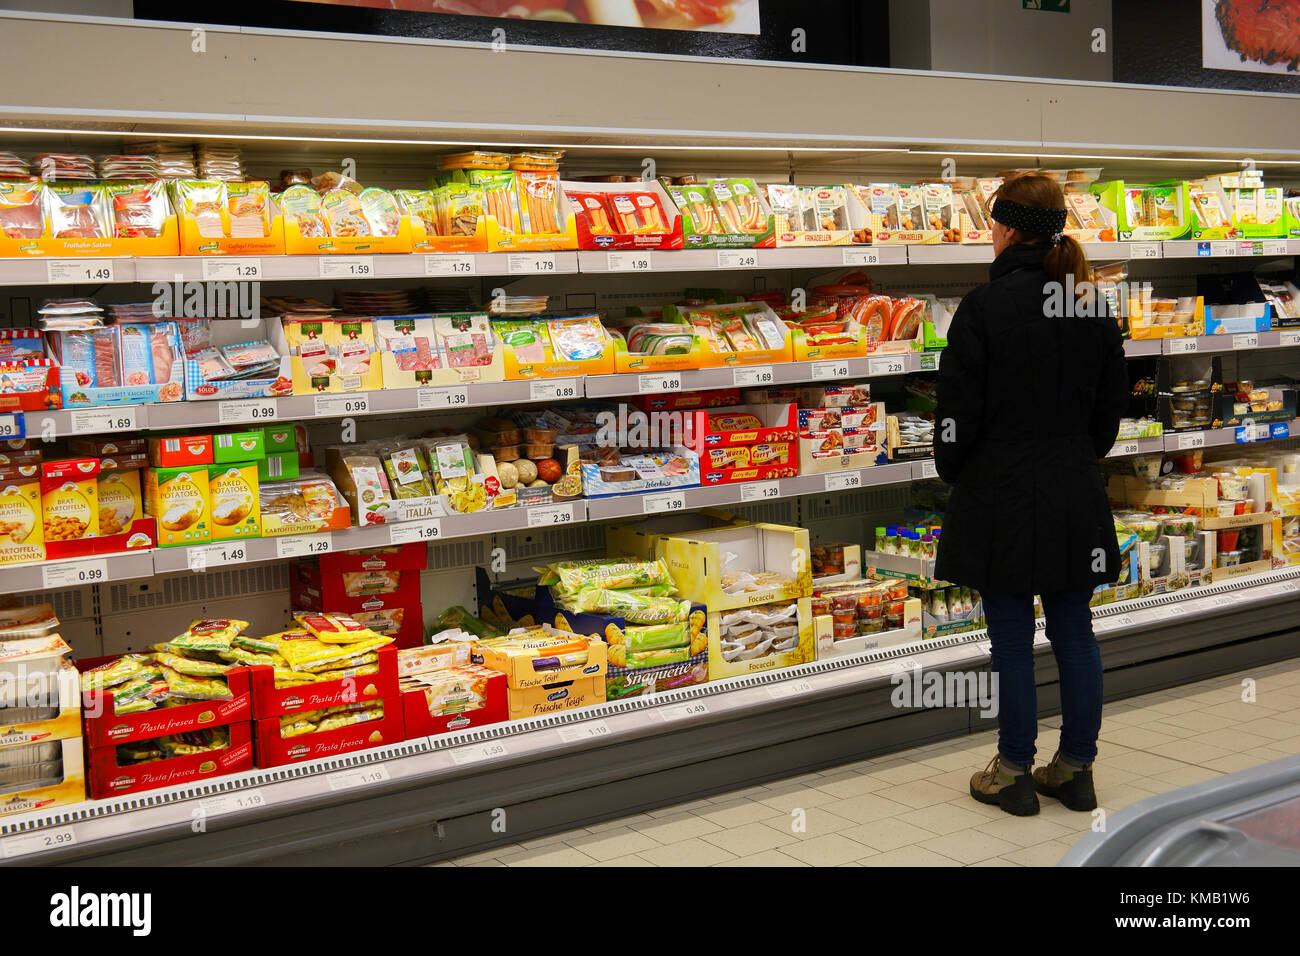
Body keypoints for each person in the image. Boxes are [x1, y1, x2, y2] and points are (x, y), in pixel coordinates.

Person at [933, 173, 1128, 817]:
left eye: (993, 223)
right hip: (1074, 487)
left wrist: (955, 468)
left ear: (1010, 228)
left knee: (1012, 638)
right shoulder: (1092, 306)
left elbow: (956, 412)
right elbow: (1109, 413)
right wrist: (1072, 457)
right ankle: (1075, 770)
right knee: (1076, 630)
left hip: (1002, 492)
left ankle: (1013, 770)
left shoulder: (984, 308)